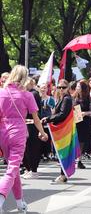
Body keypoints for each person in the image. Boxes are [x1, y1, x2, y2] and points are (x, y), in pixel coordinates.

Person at [0, 65, 48, 213]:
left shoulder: (1, 92)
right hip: (18, 133)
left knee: (13, 169)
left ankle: (20, 203)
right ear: (25, 77)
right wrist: (43, 133)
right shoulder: (27, 95)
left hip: (2, 134)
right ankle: (1, 198)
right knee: (13, 169)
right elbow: (36, 118)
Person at [42, 79, 73, 183]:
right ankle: (63, 175)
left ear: (68, 88)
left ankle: (63, 175)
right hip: (61, 128)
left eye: (63, 87)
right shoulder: (62, 98)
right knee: (62, 153)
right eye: (59, 87)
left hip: (63, 129)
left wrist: (48, 119)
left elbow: (62, 114)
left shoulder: (67, 99)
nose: (61, 89)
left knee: (63, 153)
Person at [22, 78, 43, 179]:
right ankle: (29, 169)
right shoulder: (30, 93)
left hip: (31, 123)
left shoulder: (33, 94)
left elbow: (33, 111)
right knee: (27, 148)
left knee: (31, 148)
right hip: (28, 123)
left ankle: (33, 170)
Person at [73, 80, 91, 169]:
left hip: (85, 122)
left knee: (82, 142)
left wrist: (85, 113)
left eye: (79, 86)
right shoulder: (74, 98)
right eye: (77, 86)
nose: (77, 88)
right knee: (75, 141)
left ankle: (79, 160)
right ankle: (74, 159)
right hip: (75, 122)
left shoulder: (89, 99)